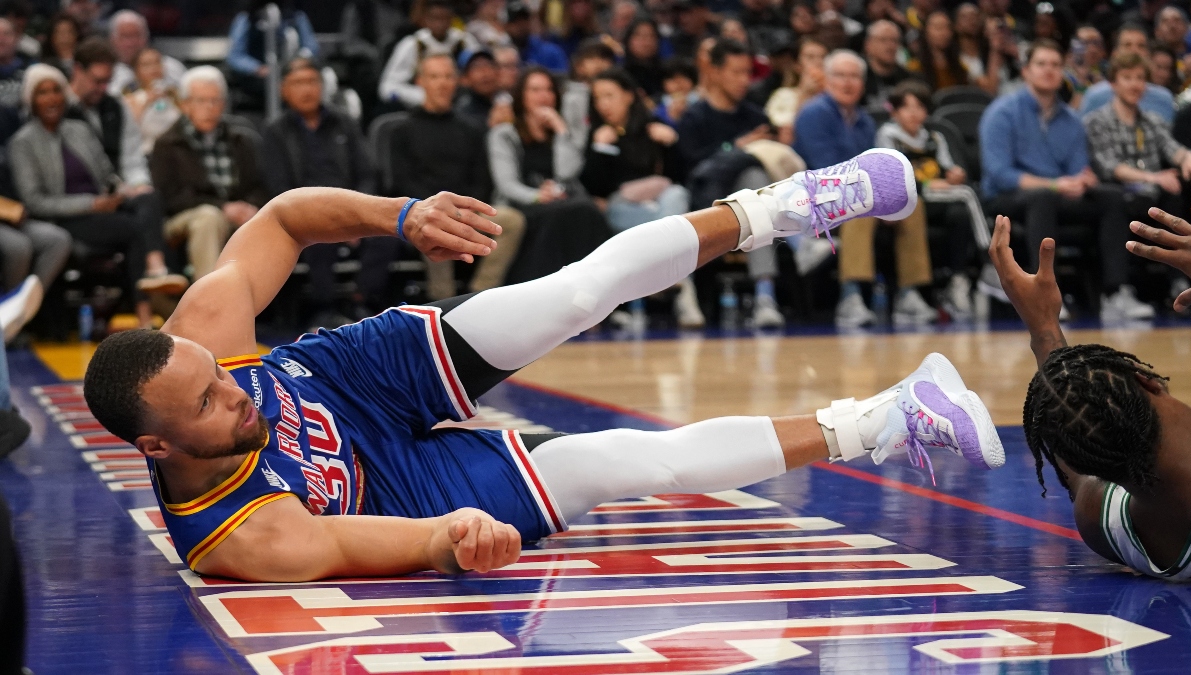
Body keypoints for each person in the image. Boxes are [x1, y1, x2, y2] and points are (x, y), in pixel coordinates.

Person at [81, 147, 1005, 583]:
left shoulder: (203, 333)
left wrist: (397, 213)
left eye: (222, 371)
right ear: (158, 447)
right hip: (400, 491)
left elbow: (281, 217)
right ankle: (889, 416)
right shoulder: (243, 538)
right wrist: (460, 538)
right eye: (209, 402)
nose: (237, 390)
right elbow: (381, 543)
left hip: (349, 379)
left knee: (572, 293)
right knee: (628, 464)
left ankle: (801, 200)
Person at [987, 203, 1191, 582]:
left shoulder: (1103, 523)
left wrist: (1045, 328)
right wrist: (1043, 325)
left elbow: (1077, 464)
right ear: (1147, 378)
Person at [982, 39, 1154, 322]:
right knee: (1043, 198)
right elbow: (1000, 174)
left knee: (1110, 195)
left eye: (1055, 65)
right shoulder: (1001, 113)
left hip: (1058, 193)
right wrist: (1054, 185)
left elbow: (1078, 168)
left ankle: (1116, 293)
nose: (1049, 70)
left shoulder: (1072, 120)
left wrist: (1082, 180)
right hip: (1009, 197)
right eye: (1041, 64)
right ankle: (1044, 295)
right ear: (1025, 71)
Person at [10, 65, 187, 329]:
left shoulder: (79, 129)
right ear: (31, 99)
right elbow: (35, 201)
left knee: (149, 197)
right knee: (135, 228)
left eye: (56, 90)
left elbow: (106, 173)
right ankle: (145, 314)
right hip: (66, 217)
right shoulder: (22, 142)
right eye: (42, 92)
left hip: (103, 204)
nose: (52, 98)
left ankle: (156, 267)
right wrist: (91, 204)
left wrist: (123, 190)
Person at [796, 49, 938, 327]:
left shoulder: (864, 120)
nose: (848, 83)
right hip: (813, 199)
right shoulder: (813, 114)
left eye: (854, 77)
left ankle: (909, 295)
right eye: (840, 76)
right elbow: (824, 169)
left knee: (911, 205)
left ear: (862, 83)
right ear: (825, 79)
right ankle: (850, 298)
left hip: (854, 192)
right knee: (860, 205)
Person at [386, 54, 526, 303]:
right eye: (434, 76)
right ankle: (442, 304)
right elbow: (401, 181)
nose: (442, 83)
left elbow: (483, 179)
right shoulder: (401, 131)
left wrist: (462, 210)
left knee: (512, 221)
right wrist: (435, 208)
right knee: (434, 224)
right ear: (421, 82)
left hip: (465, 209)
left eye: (448, 76)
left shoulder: (472, 129)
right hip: (423, 210)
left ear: (457, 82)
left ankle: (478, 296)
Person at [677, 38, 785, 328]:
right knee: (752, 179)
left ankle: (765, 296)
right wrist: (738, 148)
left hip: (750, 203)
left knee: (754, 182)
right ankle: (767, 292)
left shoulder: (755, 115)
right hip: (706, 202)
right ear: (714, 72)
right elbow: (693, 168)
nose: (743, 81)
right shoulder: (694, 117)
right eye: (735, 72)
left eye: (747, 73)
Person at [261, 57, 376, 328]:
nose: (307, 89)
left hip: (352, 206)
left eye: (312, 81)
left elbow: (368, 173)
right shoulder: (276, 132)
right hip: (305, 209)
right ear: (284, 90)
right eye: (298, 83)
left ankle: (362, 303)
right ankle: (325, 309)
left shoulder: (344, 122)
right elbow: (278, 186)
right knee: (318, 236)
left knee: (388, 233)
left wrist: (365, 212)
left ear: (322, 86)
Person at [580, 68, 699, 326]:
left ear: (628, 96)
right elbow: (595, 190)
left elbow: (680, 177)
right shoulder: (598, 135)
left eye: (609, 96)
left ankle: (664, 279)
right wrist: (601, 149)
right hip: (621, 207)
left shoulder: (654, 129)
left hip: (658, 204)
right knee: (669, 220)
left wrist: (671, 144)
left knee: (676, 195)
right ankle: (679, 288)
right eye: (598, 98)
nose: (603, 104)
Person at [1085, 51, 1191, 307]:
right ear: (1113, 83)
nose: (1134, 84)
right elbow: (1109, 167)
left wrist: (1190, 158)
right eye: (1127, 78)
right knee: (1116, 198)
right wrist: (1153, 177)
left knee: (1176, 190)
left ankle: (1179, 282)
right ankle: (1117, 293)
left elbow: (1174, 149)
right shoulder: (1097, 121)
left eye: (1140, 78)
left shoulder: (1152, 121)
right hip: (1116, 192)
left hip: (1150, 193)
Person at [877, 80, 991, 318]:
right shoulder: (887, 136)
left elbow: (949, 168)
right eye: (906, 107)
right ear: (895, 111)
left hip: (937, 198)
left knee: (960, 211)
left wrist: (955, 173)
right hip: (907, 198)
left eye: (919, 107)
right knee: (968, 195)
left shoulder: (935, 138)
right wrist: (927, 184)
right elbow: (889, 176)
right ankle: (989, 259)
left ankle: (957, 278)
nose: (913, 113)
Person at [487, 66, 609, 284]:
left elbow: (567, 173)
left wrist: (560, 129)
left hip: (560, 203)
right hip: (522, 205)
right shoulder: (503, 134)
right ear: (521, 96)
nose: (543, 96)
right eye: (534, 90)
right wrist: (537, 196)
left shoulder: (560, 132)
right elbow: (507, 184)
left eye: (548, 90)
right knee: (574, 211)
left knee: (582, 210)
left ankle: (587, 290)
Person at [149, 67, 267, 282]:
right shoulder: (167, 144)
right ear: (185, 105)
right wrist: (222, 207)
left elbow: (258, 184)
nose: (209, 108)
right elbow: (169, 198)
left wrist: (249, 206)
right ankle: (209, 298)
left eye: (215, 101)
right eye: (201, 101)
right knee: (209, 218)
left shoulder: (241, 140)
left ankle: (262, 305)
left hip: (235, 213)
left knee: (266, 218)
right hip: (183, 218)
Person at [66, 38, 154, 192]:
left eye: (108, 81)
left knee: (149, 198)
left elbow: (132, 159)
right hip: (77, 192)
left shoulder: (117, 107)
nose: (103, 88)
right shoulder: (59, 110)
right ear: (78, 70)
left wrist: (141, 185)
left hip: (119, 190)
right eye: (97, 81)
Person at [378, 0, 480, 109]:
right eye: (435, 18)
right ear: (425, 20)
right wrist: (425, 96)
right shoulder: (413, 44)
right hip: (420, 107)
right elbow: (387, 88)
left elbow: (482, 71)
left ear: (451, 20)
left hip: (462, 104)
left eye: (444, 18)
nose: (439, 23)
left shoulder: (465, 42)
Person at [227, 0, 320, 110]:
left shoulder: (296, 16)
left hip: (290, 72)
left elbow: (311, 47)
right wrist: (257, 68)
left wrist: (297, 64)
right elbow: (235, 56)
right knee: (271, 85)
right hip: (259, 78)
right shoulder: (246, 18)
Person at [1080, 24, 1177, 123]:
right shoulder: (1095, 96)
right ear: (1115, 53)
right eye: (1127, 45)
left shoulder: (1164, 99)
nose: (1134, 51)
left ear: (1148, 54)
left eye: (1141, 46)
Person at [107, 9, 186, 97]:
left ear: (146, 37)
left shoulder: (172, 67)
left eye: (136, 35)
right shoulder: (107, 72)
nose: (131, 43)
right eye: (125, 36)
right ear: (112, 40)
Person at [766, 37, 826, 147]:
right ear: (797, 65)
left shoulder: (837, 98)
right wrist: (805, 94)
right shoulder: (782, 96)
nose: (818, 62)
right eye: (810, 57)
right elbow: (786, 137)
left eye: (823, 57)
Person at [122, 47, 181, 156]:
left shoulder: (175, 95)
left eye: (157, 62)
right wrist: (147, 100)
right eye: (146, 65)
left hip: (175, 152)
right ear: (136, 71)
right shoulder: (129, 98)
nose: (153, 68)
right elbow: (128, 129)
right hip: (144, 154)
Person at [561, 38, 615, 151]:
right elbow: (574, 138)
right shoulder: (572, 99)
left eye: (604, 58)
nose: (599, 63)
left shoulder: (619, 94)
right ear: (579, 66)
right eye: (591, 58)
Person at [908, 10, 972, 92]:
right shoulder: (915, 68)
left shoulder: (961, 68)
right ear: (926, 32)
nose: (944, 33)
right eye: (938, 28)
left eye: (948, 28)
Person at [504, 0, 569, 73]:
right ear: (506, 26)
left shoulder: (550, 52)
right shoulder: (501, 54)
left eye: (525, 20)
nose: (521, 26)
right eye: (516, 22)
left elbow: (561, 80)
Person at [860, 19, 907, 108]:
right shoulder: (858, 78)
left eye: (894, 40)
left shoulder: (909, 80)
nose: (890, 46)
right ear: (868, 45)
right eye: (883, 40)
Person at [454, 49, 503, 129]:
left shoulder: (506, 102)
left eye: (489, 65)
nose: (485, 73)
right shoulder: (461, 113)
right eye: (476, 67)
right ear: (464, 79)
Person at [623, 17, 666, 99]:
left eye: (651, 36)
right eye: (639, 36)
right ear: (629, 39)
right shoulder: (620, 75)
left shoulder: (667, 73)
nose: (646, 42)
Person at [1065, 25, 1107, 106]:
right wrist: (1081, 82)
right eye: (1085, 43)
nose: (1093, 49)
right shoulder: (1063, 78)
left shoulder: (1107, 72)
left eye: (1096, 43)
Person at [654, 56, 699, 128]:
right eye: (672, 78)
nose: (679, 82)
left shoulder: (703, 102)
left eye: (684, 77)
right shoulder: (656, 108)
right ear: (663, 83)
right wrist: (673, 118)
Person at [40, 12, 79, 77]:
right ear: (52, 37)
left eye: (69, 32)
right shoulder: (44, 67)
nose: (65, 38)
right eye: (60, 33)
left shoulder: (84, 64)